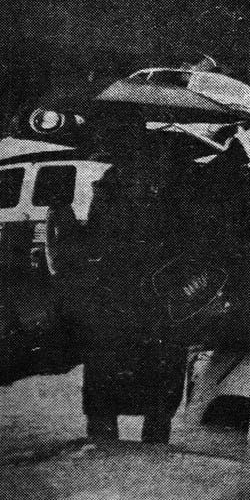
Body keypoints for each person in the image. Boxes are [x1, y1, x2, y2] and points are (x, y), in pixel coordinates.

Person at [56, 102, 189, 442]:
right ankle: (141, 447)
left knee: (116, 378)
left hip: (137, 291)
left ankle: (111, 448)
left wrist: (74, 232)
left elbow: (107, 239)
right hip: (143, 293)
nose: (106, 143)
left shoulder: (130, 182)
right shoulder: (147, 178)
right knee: (146, 380)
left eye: (112, 136)